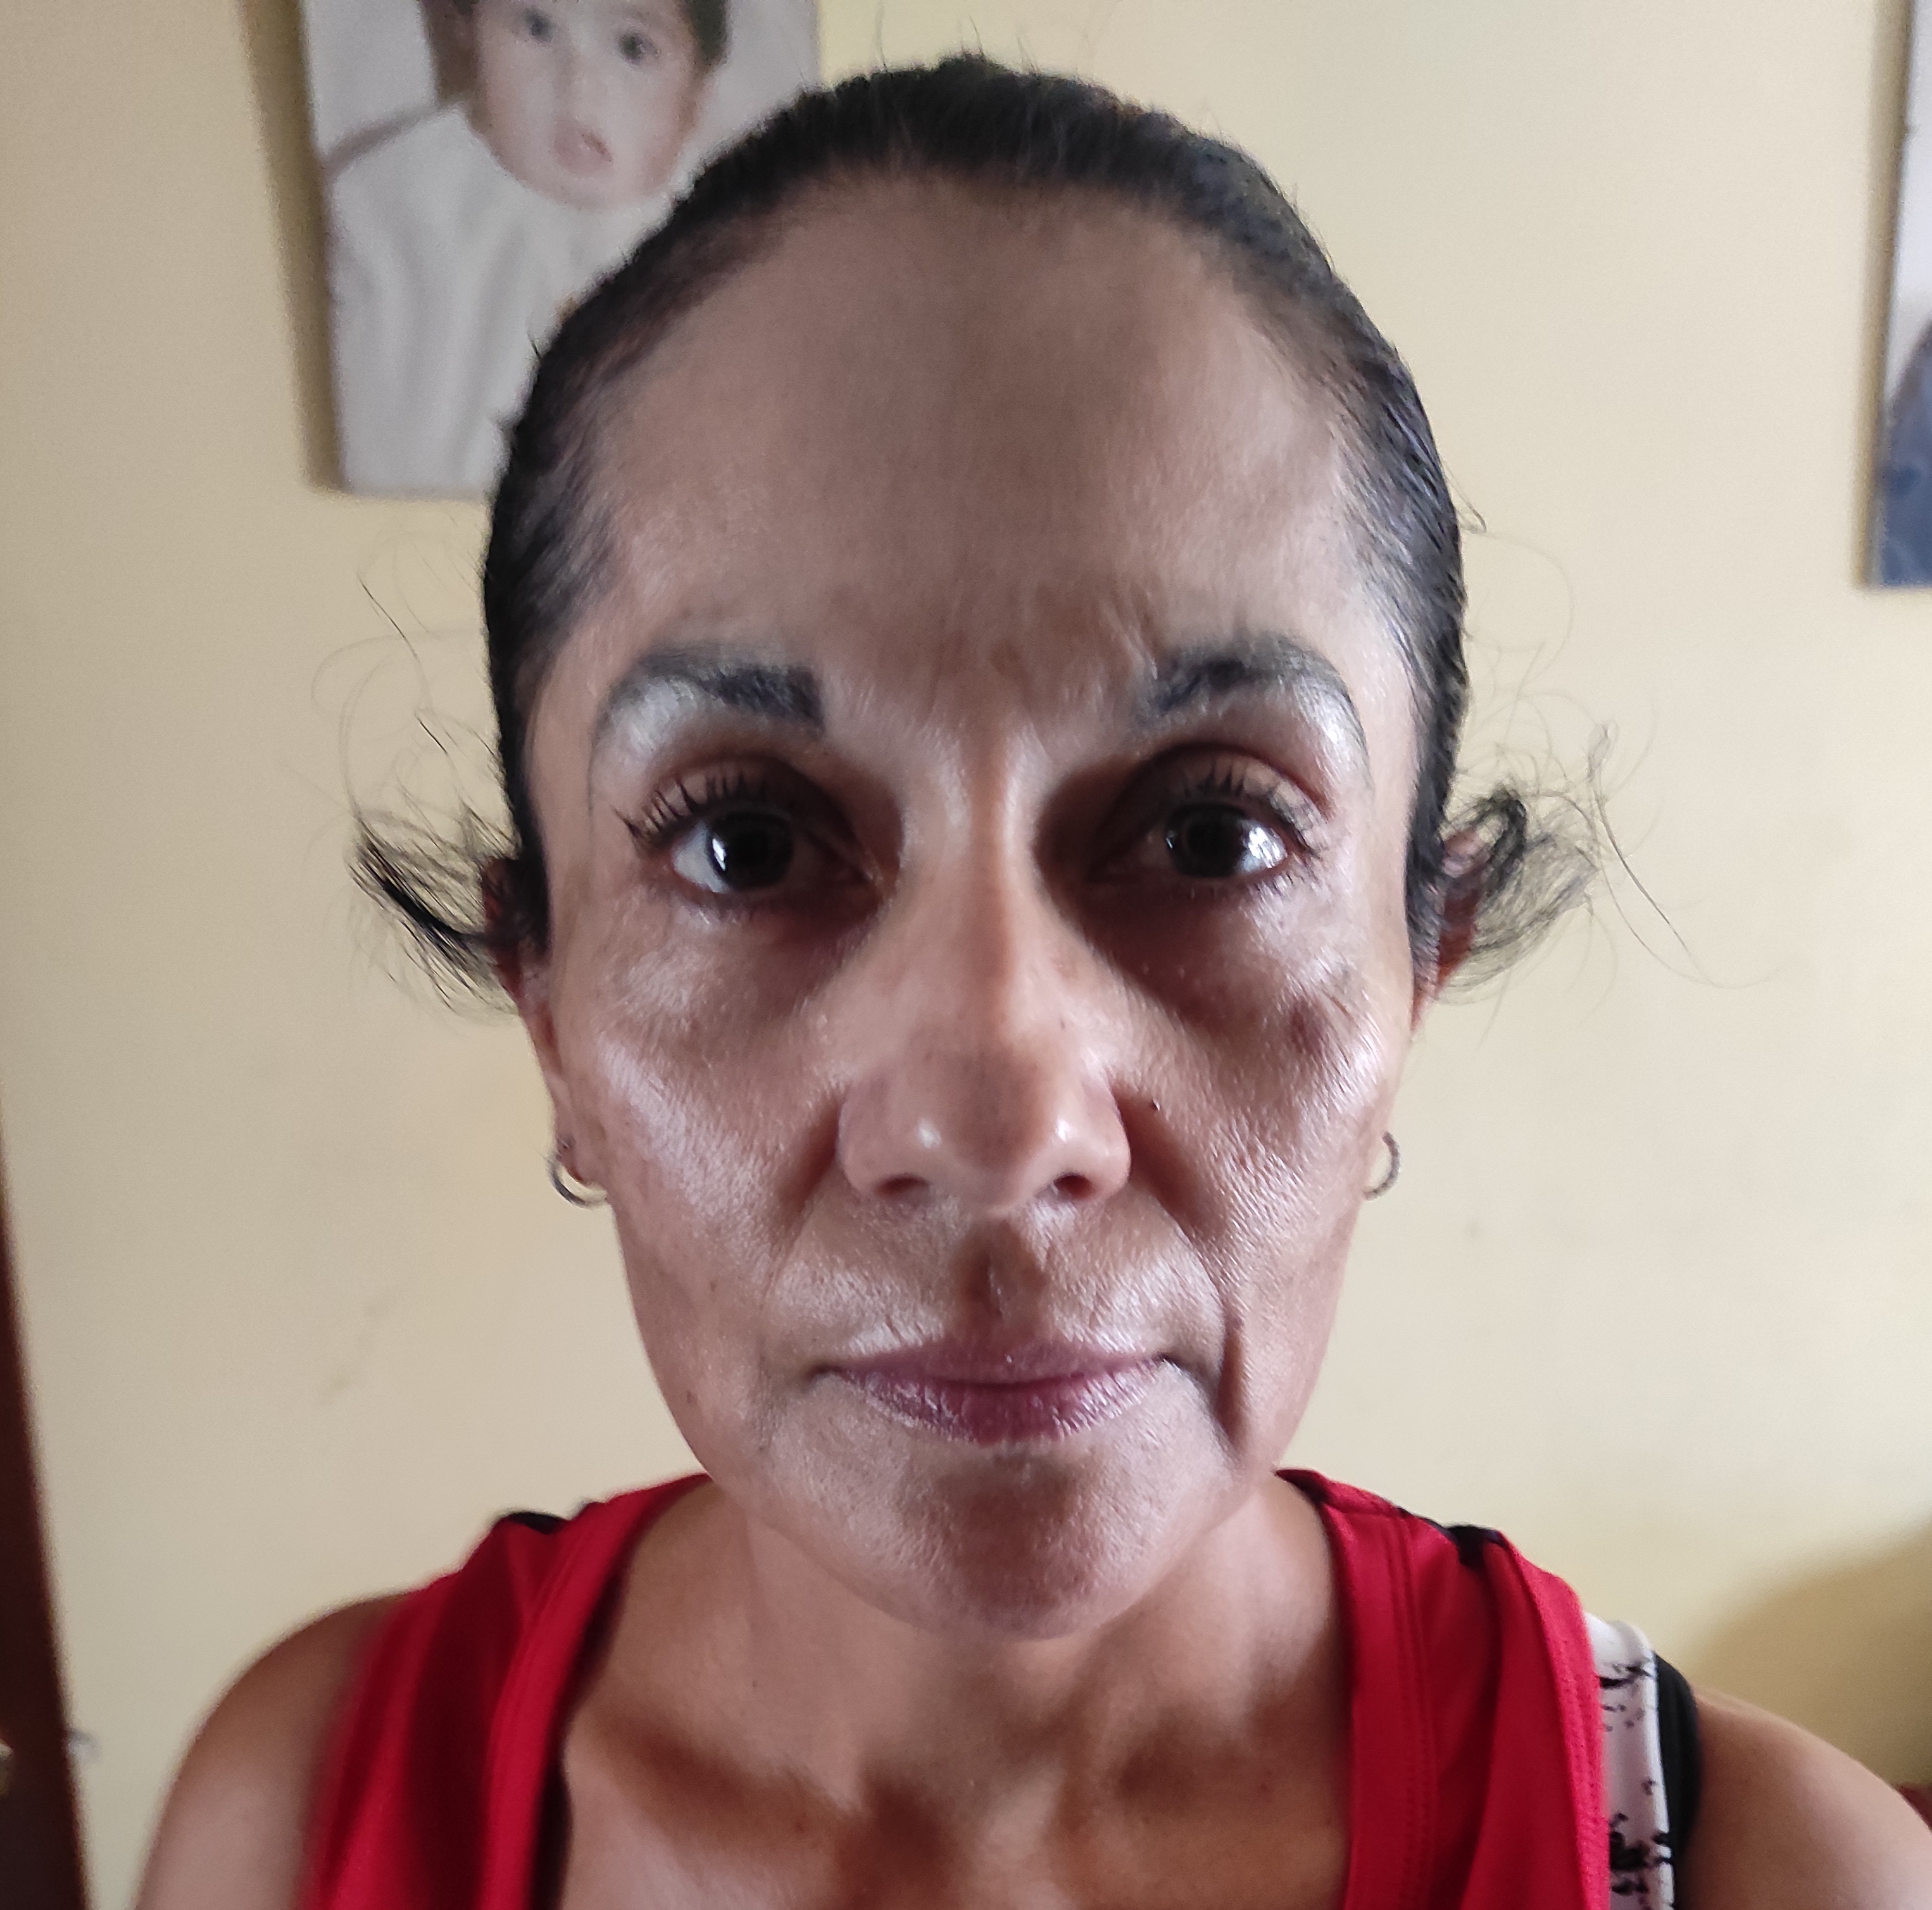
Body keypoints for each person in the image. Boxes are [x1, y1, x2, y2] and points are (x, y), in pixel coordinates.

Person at [143, 58, 1932, 1910]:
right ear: (549, 1006)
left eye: (1212, 837)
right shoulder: (307, 1821)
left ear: (1421, 960)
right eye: (746, 844)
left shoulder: (1779, 1878)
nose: (999, 1117)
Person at [327, 0, 729, 496]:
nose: (579, 88)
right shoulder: (396, 205)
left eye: (633, 48)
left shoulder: (727, 220)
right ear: (468, 30)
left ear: (701, 91)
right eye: (537, 28)